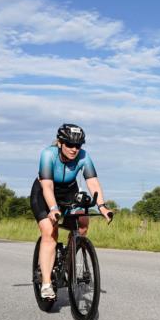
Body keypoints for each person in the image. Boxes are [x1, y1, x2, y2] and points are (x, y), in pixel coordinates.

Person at [30, 124, 114, 299]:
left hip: (69, 193)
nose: (74, 149)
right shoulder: (48, 154)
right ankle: (46, 283)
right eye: (69, 145)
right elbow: (47, 186)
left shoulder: (84, 156)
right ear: (60, 143)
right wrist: (53, 209)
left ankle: (68, 258)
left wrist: (102, 206)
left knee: (82, 223)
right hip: (45, 193)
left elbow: (92, 183)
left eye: (78, 146)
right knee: (50, 231)